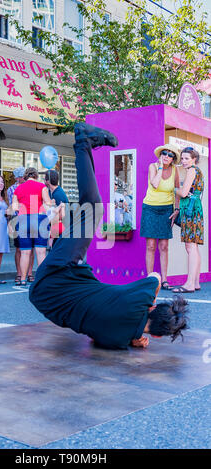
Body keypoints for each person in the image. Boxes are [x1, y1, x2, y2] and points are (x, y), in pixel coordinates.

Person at [29, 123, 188, 350]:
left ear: (152, 308)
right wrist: (133, 337)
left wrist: (149, 304)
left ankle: (83, 141)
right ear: (158, 336)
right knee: (90, 209)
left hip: (58, 274)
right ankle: (86, 145)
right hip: (45, 301)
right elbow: (95, 338)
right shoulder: (117, 340)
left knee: (93, 209)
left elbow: (154, 276)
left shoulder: (141, 299)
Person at [140, 144, 181, 290]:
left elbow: (177, 190)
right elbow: (155, 184)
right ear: (160, 155)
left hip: (166, 209)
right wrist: (161, 168)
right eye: (164, 153)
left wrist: (176, 209)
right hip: (150, 208)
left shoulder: (175, 170)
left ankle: (164, 280)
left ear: (173, 159)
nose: (167, 156)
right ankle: (150, 279)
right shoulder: (153, 166)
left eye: (170, 155)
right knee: (150, 246)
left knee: (164, 246)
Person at [12, 167, 52, 286]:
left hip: (23, 220)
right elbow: (48, 202)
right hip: (39, 219)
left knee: (25, 253)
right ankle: (42, 280)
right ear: (36, 175)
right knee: (41, 252)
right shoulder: (41, 187)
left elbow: (14, 207)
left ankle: (23, 279)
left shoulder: (18, 188)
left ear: (25, 176)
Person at [172, 147, 204, 293]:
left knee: (190, 247)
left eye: (186, 158)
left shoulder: (192, 170)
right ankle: (195, 282)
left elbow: (184, 193)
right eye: (182, 158)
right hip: (195, 210)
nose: (183, 161)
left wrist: (174, 189)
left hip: (190, 211)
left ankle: (190, 284)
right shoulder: (198, 171)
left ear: (194, 159)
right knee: (194, 247)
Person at [7, 167, 35, 285]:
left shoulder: (32, 186)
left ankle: (29, 273)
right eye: (23, 176)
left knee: (31, 249)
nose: (25, 178)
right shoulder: (12, 189)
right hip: (18, 219)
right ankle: (19, 273)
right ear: (18, 178)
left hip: (32, 218)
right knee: (19, 249)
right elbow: (13, 207)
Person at [44, 169, 68, 246]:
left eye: (45, 178)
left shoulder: (58, 194)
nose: (44, 180)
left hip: (60, 228)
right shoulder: (51, 192)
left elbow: (61, 215)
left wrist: (48, 221)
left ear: (48, 181)